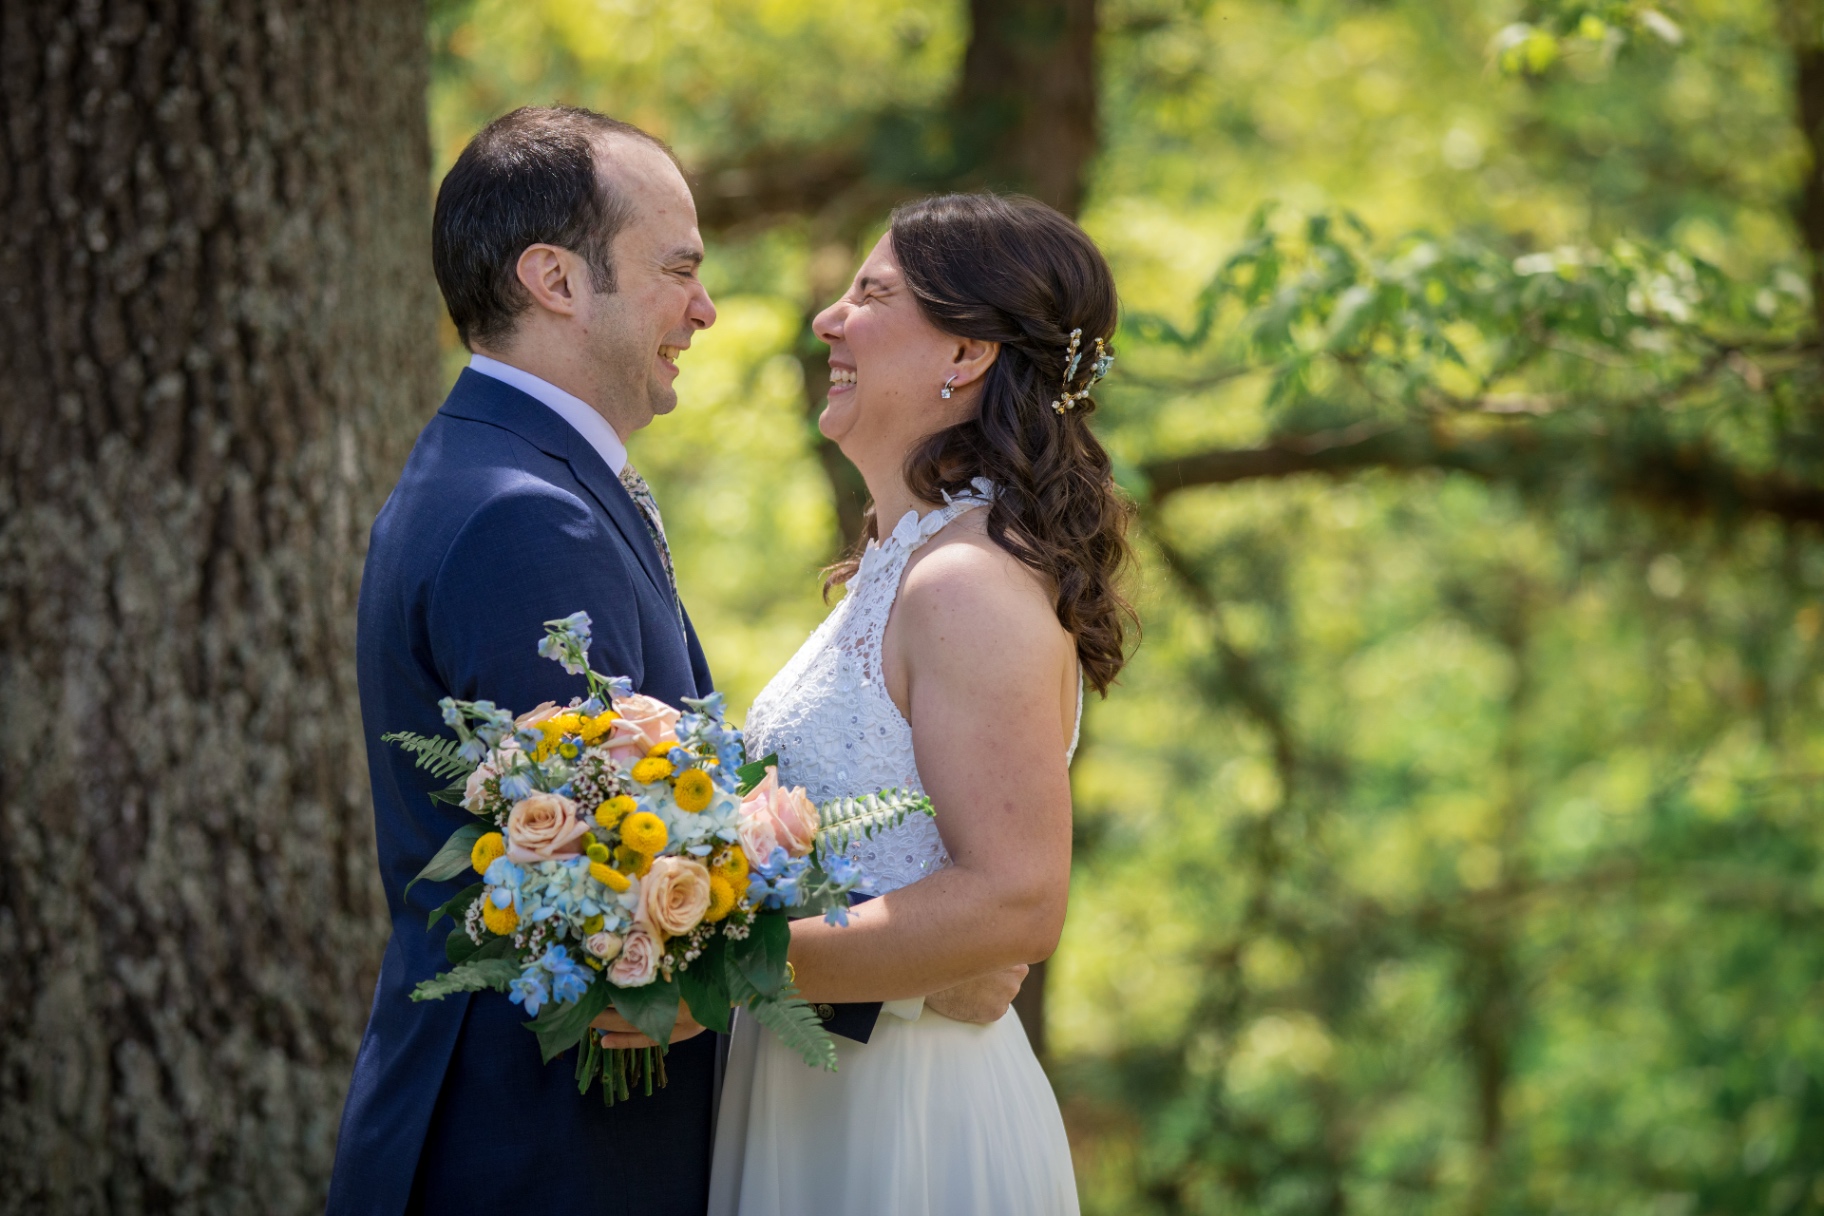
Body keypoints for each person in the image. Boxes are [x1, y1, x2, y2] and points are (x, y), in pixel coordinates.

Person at [327, 105, 724, 1214]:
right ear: (555, 278)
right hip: (538, 1156)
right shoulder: (522, 515)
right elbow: (614, 893)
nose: (703, 308)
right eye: (677, 269)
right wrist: (901, 984)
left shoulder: (505, 470)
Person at [708, 192, 1135, 1215]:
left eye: (873, 293)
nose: (830, 318)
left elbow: (1017, 899)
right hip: (815, 1088)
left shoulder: (967, 583)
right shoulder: (899, 565)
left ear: (968, 354)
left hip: (904, 1122)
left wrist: (718, 959)